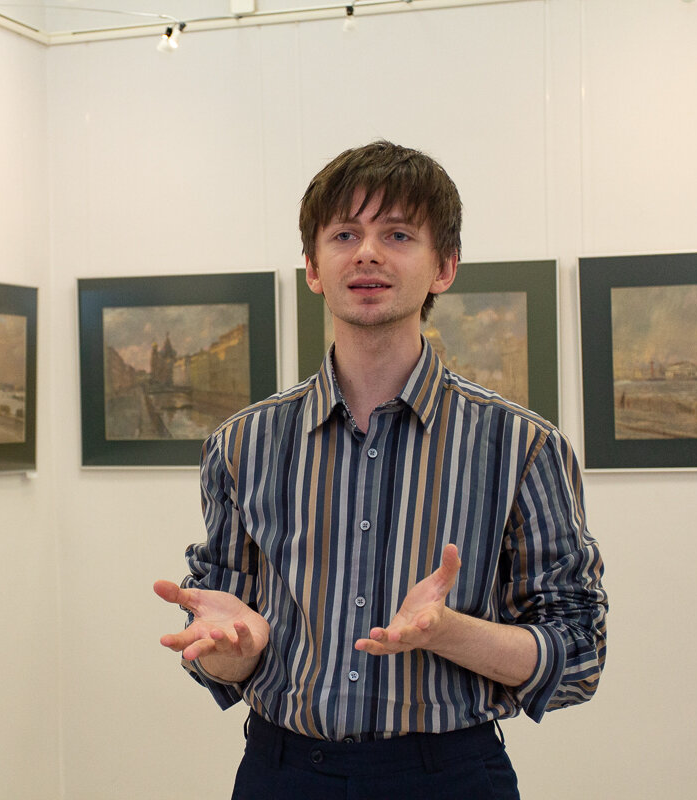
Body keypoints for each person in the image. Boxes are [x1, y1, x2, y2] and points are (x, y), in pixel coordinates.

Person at [154, 141, 607, 799]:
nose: (367, 253)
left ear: (444, 266)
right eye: (345, 234)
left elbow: (580, 655)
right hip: (283, 773)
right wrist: (233, 651)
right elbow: (222, 647)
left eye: (397, 234)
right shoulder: (242, 443)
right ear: (313, 268)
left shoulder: (521, 445)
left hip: (450, 776)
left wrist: (450, 633)